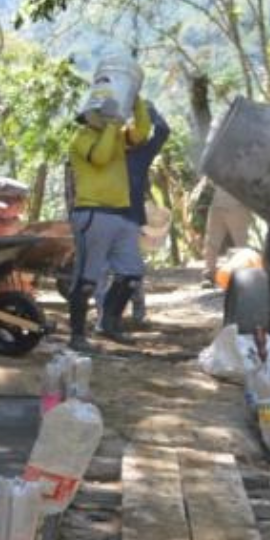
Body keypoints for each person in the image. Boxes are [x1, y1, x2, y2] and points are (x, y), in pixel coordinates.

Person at [65, 94, 153, 349]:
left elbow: (143, 132)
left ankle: (109, 323)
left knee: (132, 274)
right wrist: (114, 124)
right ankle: (77, 336)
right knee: (87, 279)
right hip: (93, 214)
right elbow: (101, 158)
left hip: (120, 215)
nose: (106, 118)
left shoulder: (115, 135)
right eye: (102, 114)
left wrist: (135, 100)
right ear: (90, 116)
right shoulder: (81, 138)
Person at [122, 101, 171, 326]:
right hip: (130, 219)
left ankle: (108, 316)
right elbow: (163, 131)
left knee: (106, 270)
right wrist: (151, 110)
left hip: (110, 217)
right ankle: (137, 312)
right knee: (131, 267)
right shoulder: (141, 156)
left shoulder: (109, 155)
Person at [203, 186, 254, 284]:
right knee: (211, 241)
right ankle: (209, 273)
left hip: (237, 205)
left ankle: (246, 274)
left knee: (241, 243)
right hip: (217, 204)